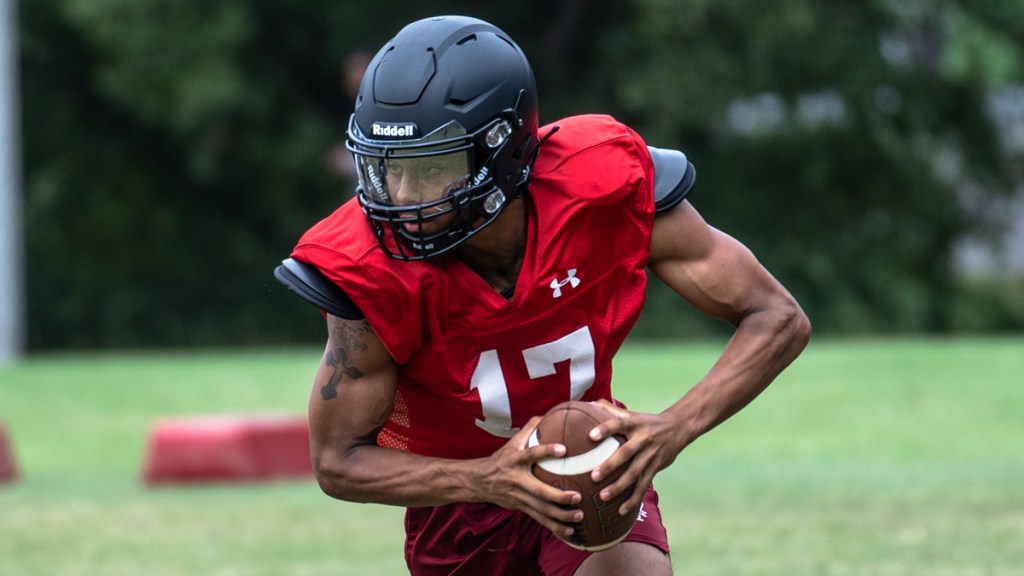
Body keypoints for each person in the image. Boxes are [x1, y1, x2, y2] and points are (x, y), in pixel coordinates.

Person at [275, 15, 810, 576]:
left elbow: (776, 315)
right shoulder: (367, 264)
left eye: (430, 167)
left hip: (593, 459)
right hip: (455, 503)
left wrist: (675, 427)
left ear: (500, 152)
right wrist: (486, 479)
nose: (403, 199)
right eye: (389, 169)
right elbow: (337, 461)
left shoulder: (599, 187)